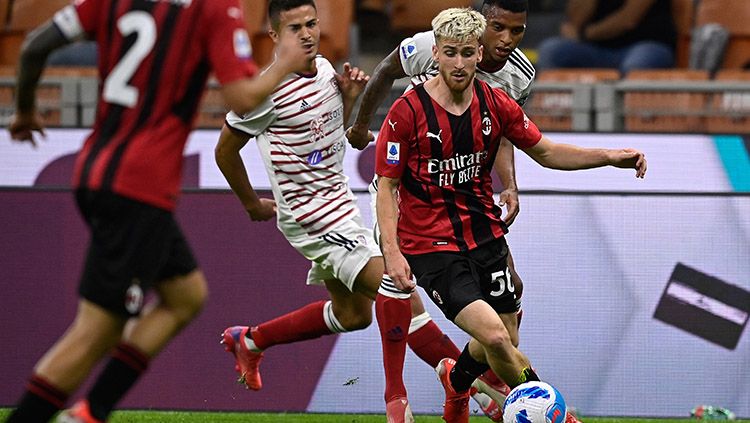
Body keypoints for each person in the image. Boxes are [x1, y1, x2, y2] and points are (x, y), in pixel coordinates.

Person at [4, 0, 311, 422]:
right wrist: (283, 63)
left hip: (97, 170)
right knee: (96, 329)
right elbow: (240, 95)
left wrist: (22, 109)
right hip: (139, 188)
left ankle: (90, 412)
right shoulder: (214, 8)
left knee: (186, 296)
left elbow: (35, 46)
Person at [215, 1, 504, 422]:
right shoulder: (263, 93)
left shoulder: (328, 70)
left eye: (312, 23)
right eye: (295, 28)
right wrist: (250, 203)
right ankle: (482, 392)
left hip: (342, 206)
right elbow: (225, 151)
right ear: (274, 35)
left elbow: (333, 138)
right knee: (400, 288)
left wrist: (349, 102)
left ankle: (252, 340)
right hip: (311, 218)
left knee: (352, 316)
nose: (308, 34)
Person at [375, 7, 646, 423]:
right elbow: (388, 188)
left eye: (468, 53)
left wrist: (610, 156)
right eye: (450, 53)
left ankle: (458, 380)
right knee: (496, 336)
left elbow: (547, 152)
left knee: (506, 334)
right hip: (431, 244)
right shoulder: (406, 113)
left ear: (479, 54)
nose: (460, 63)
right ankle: (550, 410)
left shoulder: (495, 102)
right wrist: (392, 252)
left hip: (484, 233)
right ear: (437, 55)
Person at [347, 0, 543, 418]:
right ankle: (395, 396)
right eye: (499, 28)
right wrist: (362, 124)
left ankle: (466, 376)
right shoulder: (429, 43)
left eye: (517, 31)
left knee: (512, 294)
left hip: (464, 200)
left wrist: (508, 184)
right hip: (408, 192)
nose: (506, 39)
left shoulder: (519, 73)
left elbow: (504, 131)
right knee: (397, 281)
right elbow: (384, 70)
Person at [535, 0, 677, 75]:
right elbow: (575, 22)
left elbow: (628, 20)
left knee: (635, 64)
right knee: (551, 50)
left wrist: (585, 34)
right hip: (597, 49)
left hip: (647, 45)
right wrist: (579, 32)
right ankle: (558, 121)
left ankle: (625, 126)